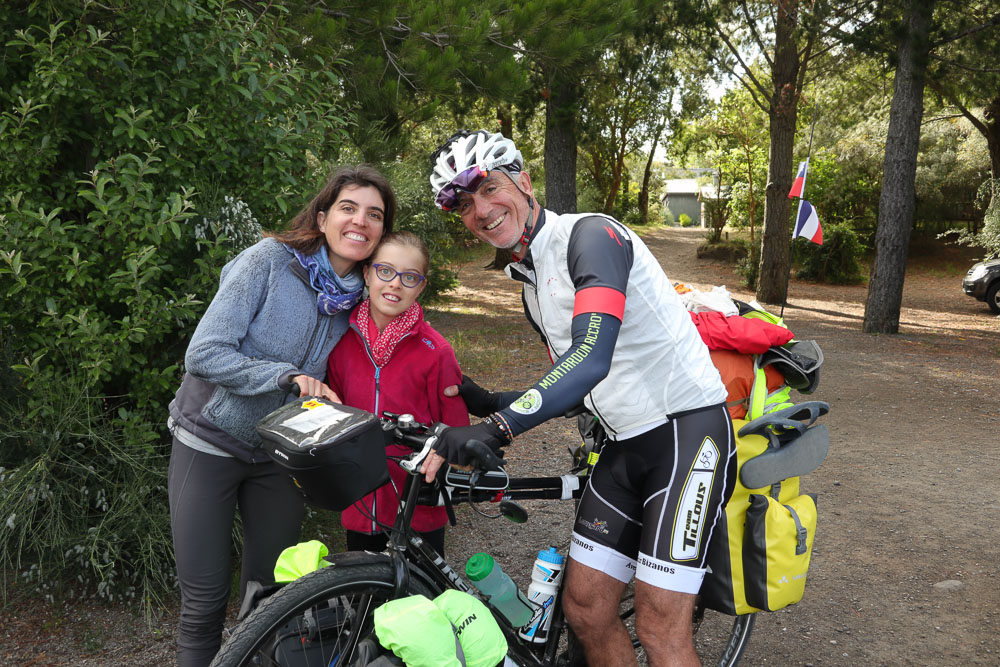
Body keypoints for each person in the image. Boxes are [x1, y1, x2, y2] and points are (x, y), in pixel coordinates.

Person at [422, 130, 737, 666]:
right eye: (465, 205)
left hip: (686, 434)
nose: (482, 211)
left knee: (660, 625)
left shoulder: (590, 236)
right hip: (621, 444)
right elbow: (582, 387)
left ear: (523, 181)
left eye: (490, 188)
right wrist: (492, 399)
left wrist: (499, 426)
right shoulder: (531, 282)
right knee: (586, 610)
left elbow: (591, 356)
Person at [166, 166, 394, 666]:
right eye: (348, 208)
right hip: (208, 442)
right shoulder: (268, 261)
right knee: (203, 606)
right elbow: (203, 353)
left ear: (382, 231)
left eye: (374, 214)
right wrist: (285, 376)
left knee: (270, 603)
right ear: (322, 217)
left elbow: (394, 355)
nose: (360, 221)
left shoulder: (363, 295)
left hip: (279, 455)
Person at [326, 231, 469, 556]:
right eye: (385, 271)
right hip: (361, 502)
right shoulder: (341, 341)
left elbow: (456, 429)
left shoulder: (436, 351)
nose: (395, 284)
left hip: (417, 506)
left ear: (421, 287)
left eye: (409, 277)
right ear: (367, 273)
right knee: (363, 586)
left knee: (417, 588)